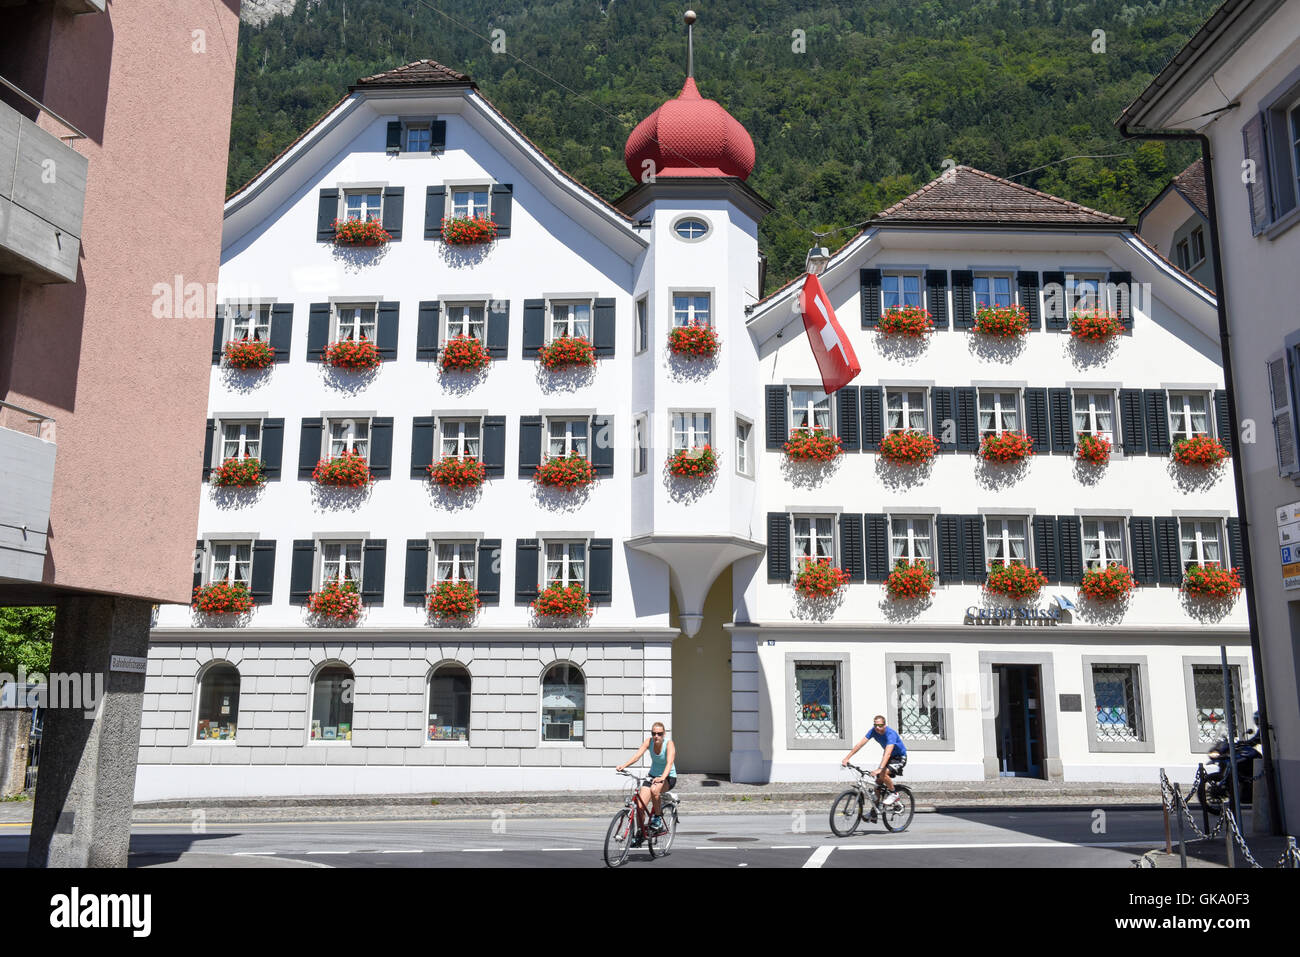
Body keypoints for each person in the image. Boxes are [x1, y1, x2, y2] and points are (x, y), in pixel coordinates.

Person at [616, 721, 677, 844]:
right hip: (652, 776)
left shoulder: (669, 744)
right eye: (654, 733)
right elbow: (637, 756)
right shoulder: (649, 742)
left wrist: (662, 778)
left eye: (659, 734)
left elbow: (670, 763)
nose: (656, 736)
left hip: (668, 777)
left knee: (655, 790)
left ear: (664, 734)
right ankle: (640, 832)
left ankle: (658, 818)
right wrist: (624, 765)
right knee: (639, 806)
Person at [842, 715, 907, 805]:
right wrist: (847, 758)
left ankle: (894, 793)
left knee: (882, 773)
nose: (877, 727)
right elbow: (860, 744)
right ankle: (874, 812)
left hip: (899, 757)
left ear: (885, 725)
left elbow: (888, 753)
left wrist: (880, 769)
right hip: (888, 758)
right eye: (875, 725)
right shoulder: (873, 731)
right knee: (877, 784)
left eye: (880, 725)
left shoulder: (890, 734)